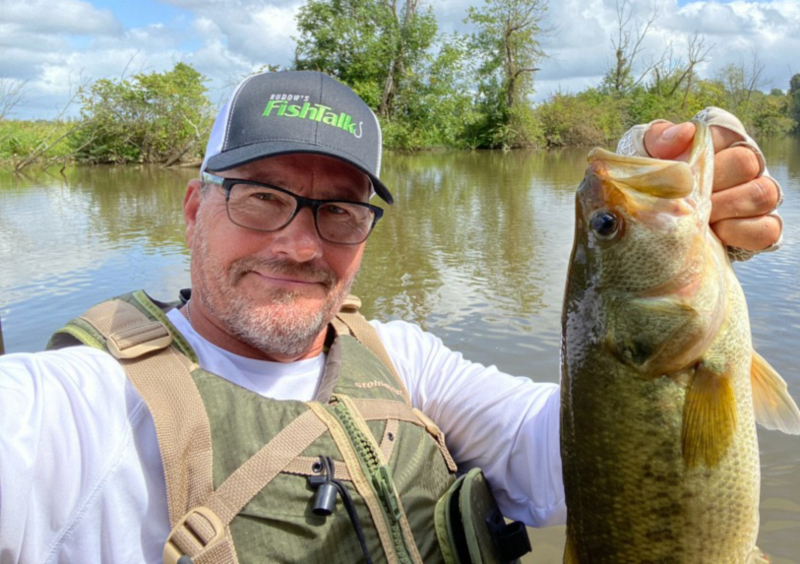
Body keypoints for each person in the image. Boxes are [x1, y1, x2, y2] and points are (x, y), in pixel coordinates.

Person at [0, 70, 783, 563]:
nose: (301, 243)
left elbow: (582, 453)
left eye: (340, 209)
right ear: (196, 206)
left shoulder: (404, 360)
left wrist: (660, 154)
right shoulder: (72, 410)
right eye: (264, 197)